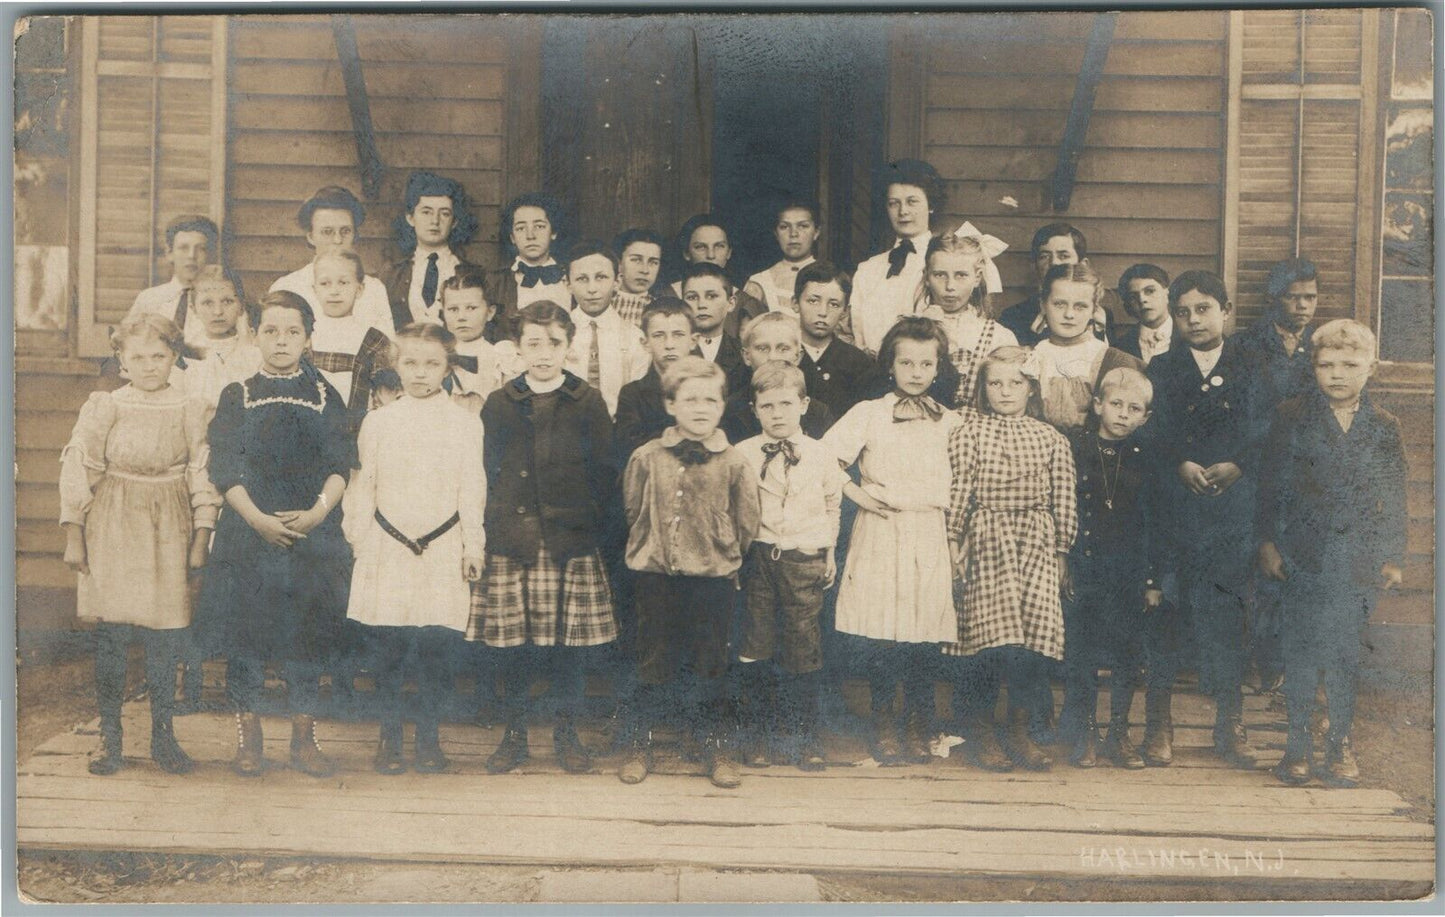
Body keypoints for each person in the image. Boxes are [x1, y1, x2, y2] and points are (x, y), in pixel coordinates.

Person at [200, 291, 355, 778]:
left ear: (309, 337)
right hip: (249, 533)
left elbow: (340, 466)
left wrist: (317, 512)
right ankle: (250, 740)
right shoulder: (237, 395)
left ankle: (304, 740)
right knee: (246, 636)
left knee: (306, 635)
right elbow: (224, 469)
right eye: (271, 330)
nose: (282, 340)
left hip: (311, 536)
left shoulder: (328, 395)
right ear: (256, 334)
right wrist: (258, 520)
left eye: (292, 331)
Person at [61, 314, 221, 775]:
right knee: (112, 636)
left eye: (159, 356)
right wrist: (75, 533)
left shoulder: (191, 407)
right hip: (112, 522)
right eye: (137, 357)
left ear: (174, 357)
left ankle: (163, 738)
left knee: (164, 637)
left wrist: (202, 534)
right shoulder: (106, 405)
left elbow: (201, 472)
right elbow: (80, 466)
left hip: (169, 525)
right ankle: (110, 739)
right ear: (122, 361)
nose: (149, 366)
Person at [467, 301, 619, 776]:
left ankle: (566, 733)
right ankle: (514, 735)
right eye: (533, 343)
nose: (544, 353)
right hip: (513, 539)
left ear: (568, 344)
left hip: (568, 539)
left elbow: (604, 471)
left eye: (554, 343)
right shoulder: (500, 402)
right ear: (518, 347)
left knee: (566, 647)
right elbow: (485, 470)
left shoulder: (586, 400)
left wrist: (587, 522)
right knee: (514, 646)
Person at [1259, 320, 1406, 788]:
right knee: (1300, 650)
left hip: (1357, 558)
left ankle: (1339, 741)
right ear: (1312, 367)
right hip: (1302, 554)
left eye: (1349, 364)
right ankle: (1296, 745)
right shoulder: (1291, 415)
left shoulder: (1383, 426)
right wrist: (1267, 543)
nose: (1337, 374)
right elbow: (1269, 487)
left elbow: (1396, 496)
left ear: (1372, 368)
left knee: (1343, 652)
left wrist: (1392, 557)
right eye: (1326, 365)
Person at [344, 323, 486, 775]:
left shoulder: (464, 423)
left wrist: (472, 546)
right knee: (389, 646)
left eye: (432, 364)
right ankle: (389, 737)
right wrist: (360, 539)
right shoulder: (380, 421)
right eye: (410, 363)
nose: (420, 374)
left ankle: (428, 737)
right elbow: (364, 485)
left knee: (435, 648)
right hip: (388, 545)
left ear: (447, 367)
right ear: (395, 366)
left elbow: (472, 488)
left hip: (442, 546)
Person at [822, 317, 963, 765]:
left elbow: (966, 480)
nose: (916, 372)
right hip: (882, 529)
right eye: (906, 362)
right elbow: (822, 459)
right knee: (883, 631)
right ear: (890, 365)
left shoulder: (952, 421)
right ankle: (883, 722)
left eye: (926, 363)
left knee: (922, 632)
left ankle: (919, 722)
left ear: (939, 368)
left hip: (929, 532)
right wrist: (858, 495)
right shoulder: (869, 413)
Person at [618, 356, 761, 788]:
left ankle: (715, 746)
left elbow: (747, 523)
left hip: (712, 579)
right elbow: (633, 509)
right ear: (670, 405)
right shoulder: (646, 457)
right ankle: (639, 743)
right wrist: (653, 548)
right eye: (690, 399)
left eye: (710, 400)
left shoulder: (734, 462)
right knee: (651, 658)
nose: (701, 408)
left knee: (710, 662)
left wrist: (718, 553)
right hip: (655, 575)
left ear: (722, 406)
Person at [1145, 271, 1263, 769]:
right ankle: (1159, 724)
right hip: (1176, 511)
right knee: (1166, 613)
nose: (1194, 320)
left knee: (1227, 616)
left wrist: (1238, 461)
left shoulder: (1252, 364)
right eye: (1184, 311)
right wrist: (1180, 462)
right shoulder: (1162, 367)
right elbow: (1152, 430)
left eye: (1204, 309)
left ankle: (1229, 724)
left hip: (1231, 513)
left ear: (1226, 311)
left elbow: (1264, 426)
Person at [946, 346, 1078, 772]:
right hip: (987, 537)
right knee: (989, 637)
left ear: (1031, 388)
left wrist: (1061, 553)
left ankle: (1019, 729)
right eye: (995, 383)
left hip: (1036, 540)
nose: (1005, 392)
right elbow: (960, 489)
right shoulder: (969, 431)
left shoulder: (1050, 438)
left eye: (1015, 383)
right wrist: (954, 539)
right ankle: (982, 730)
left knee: (1033, 638)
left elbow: (1064, 499)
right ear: (983, 388)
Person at [735, 363, 846, 771]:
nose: (777, 413)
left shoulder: (820, 454)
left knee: (803, 645)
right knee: (756, 644)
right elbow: (735, 510)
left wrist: (829, 552)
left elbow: (833, 504)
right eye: (767, 406)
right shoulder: (743, 453)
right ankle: (757, 735)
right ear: (754, 409)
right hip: (760, 557)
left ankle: (805, 737)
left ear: (803, 405)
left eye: (786, 403)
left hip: (805, 557)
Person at [1060, 367, 1168, 769]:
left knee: (1128, 651)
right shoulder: (1075, 448)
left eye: (1134, 408)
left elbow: (1158, 521)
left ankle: (1119, 731)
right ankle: (1085, 731)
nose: (1123, 414)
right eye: (1116, 404)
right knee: (1083, 650)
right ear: (1098, 404)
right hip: (1086, 565)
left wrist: (1153, 579)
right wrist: (1066, 563)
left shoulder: (1148, 457)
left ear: (1145, 416)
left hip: (1130, 570)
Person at [1235, 256, 1323, 695]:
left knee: (1294, 563)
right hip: (1253, 468)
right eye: (1294, 297)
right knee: (1255, 563)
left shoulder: (1323, 348)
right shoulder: (1247, 345)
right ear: (1275, 299)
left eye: (1310, 297)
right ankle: (1253, 661)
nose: (1303, 306)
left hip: (1303, 472)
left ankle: (1287, 662)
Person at [1030, 263, 1144, 434]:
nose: (1069, 314)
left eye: (1080, 306)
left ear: (1094, 310)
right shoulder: (1030, 357)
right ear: (1043, 305)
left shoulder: (1113, 361)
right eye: (1059, 304)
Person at [847, 160, 944, 356]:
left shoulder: (945, 263)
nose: (903, 211)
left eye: (912, 201)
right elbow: (856, 330)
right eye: (894, 203)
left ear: (931, 205)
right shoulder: (868, 270)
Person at [270, 186, 395, 336]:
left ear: (355, 235)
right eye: (327, 232)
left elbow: (387, 350)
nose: (337, 240)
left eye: (345, 231)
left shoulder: (373, 289)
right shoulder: (288, 287)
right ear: (311, 236)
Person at [916, 231, 1017, 409]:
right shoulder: (909, 330)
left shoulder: (999, 337)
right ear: (926, 277)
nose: (950, 287)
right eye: (940, 275)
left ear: (977, 277)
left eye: (961, 275)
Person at [383, 170, 481, 331]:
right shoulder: (392, 273)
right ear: (410, 218)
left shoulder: (471, 273)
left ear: (454, 221)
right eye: (426, 212)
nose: (435, 221)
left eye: (444, 213)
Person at [309, 249, 394, 434]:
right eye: (325, 283)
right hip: (311, 434)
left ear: (359, 289)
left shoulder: (374, 340)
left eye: (343, 282)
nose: (334, 291)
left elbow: (386, 397)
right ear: (315, 289)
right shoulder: (305, 336)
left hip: (357, 436)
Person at [562, 240, 650, 417]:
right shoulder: (557, 334)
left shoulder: (634, 338)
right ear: (567, 284)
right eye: (582, 279)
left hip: (618, 432)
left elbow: (639, 398)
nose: (592, 289)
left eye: (601, 277)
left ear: (617, 282)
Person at [720, 312, 834, 443]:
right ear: (747, 356)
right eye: (762, 349)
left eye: (783, 349)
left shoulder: (818, 414)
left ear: (797, 356)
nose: (772, 357)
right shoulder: (731, 411)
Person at [795, 261, 882, 423]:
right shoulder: (783, 355)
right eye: (813, 301)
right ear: (795, 303)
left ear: (845, 312)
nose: (823, 312)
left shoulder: (858, 363)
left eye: (834, 304)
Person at [615, 297, 696, 461]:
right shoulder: (632, 395)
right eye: (659, 335)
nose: (669, 344)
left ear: (693, 341)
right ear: (645, 343)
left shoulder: (708, 389)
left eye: (678, 335)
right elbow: (630, 449)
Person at [125, 215, 220, 355]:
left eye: (201, 249)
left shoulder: (221, 304)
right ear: (169, 253)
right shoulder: (148, 299)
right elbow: (128, 347)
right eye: (183, 248)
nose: (191, 256)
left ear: (212, 255)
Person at [176, 265, 263, 410]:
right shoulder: (185, 357)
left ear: (241, 306)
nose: (217, 312)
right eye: (207, 303)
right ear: (193, 308)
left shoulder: (255, 354)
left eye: (227, 301)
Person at [487, 192, 570, 342]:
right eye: (520, 228)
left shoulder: (571, 278)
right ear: (512, 237)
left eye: (539, 226)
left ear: (553, 232)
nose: (530, 235)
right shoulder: (495, 283)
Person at [668, 213, 766, 339]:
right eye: (700, 247)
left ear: (729, 253)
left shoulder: (746, 304)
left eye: (719, 246)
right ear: (687, 253)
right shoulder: (668, 295)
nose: (711, 255)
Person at [997, 223, 1088, 347]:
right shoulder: (1014, 317)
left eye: (1064, 256)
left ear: (1082, 264)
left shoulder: (1099, 316)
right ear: (1035, 266)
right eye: (1044, 256)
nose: (1054, 263)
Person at [437, 265, 510, 411]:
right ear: (443, 313)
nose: (461, 317)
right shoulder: (435, 355)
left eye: (471, 308)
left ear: (490, 312)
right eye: (453, 309)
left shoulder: (501, 358)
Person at [743, 199, 820, 313]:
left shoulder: (833, 277)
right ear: (776, 234)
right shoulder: (760, 283)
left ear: (816, 232)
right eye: (784, 227)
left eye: (803, 226)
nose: (793, 234)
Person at [681, 262, 747, 387]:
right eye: (692, 297)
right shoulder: (675, 351)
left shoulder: (742, 353)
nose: (701, 305)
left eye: (711, 296)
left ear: (731, 303)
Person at [1113, 264, 1174, 366]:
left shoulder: (1189, 337)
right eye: (1133, 296)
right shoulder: (1121, 347)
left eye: (1150, 291)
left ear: (1167, 294)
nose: (1142, 299)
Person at [612, 228, 666, 327]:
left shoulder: (661, 309)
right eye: (636, 260)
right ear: (619, 263)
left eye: (653, 262)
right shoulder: (603, 302)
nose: (645, 270)